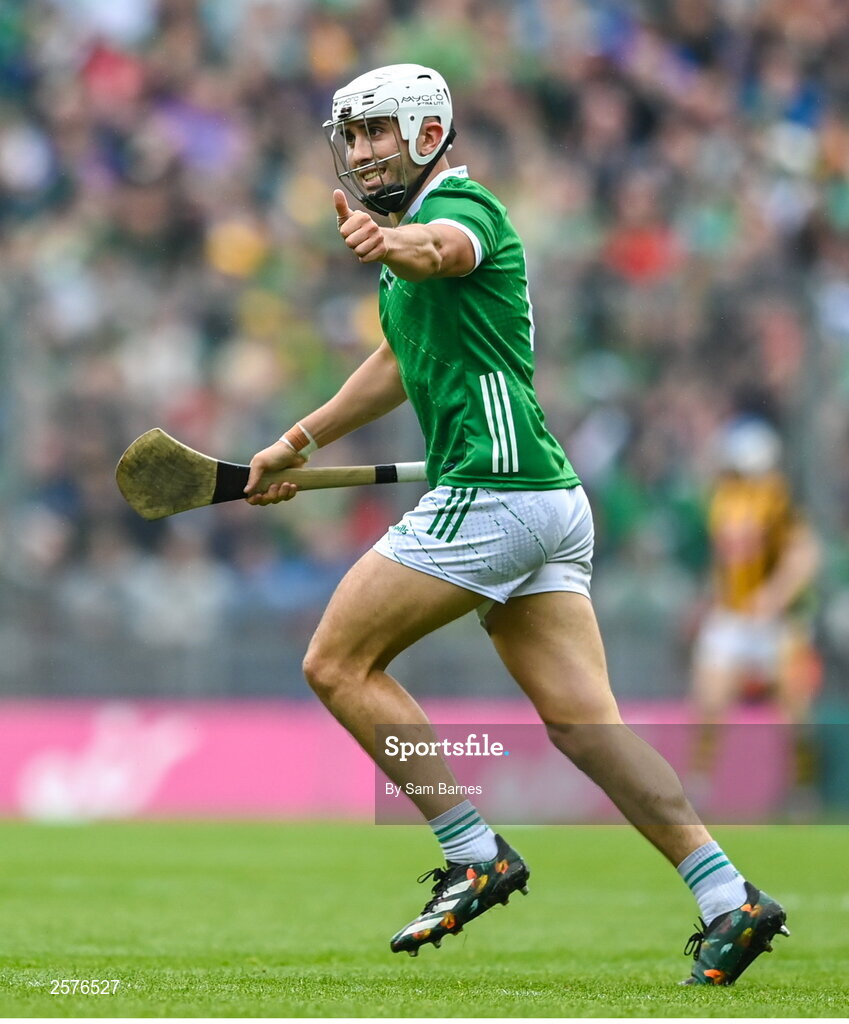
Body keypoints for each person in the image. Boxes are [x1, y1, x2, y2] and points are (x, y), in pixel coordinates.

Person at [244, 64, 788, 985]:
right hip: (542, 498)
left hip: (492, 495)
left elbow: (443, 252)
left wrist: (390, 242)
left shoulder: (464, 208)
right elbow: (393, 362)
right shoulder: (403, 249)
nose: (364, 148)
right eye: (356, 134)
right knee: (585, 726)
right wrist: (298, 438)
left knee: (335, 663)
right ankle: (727, 895)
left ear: (425, 132)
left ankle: (470, 848)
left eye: (380, 130)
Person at [689, 417, 822, 805]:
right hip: (732, 615)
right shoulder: (721, 498)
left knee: (796, 712)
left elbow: (804, 554)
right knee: (710, 704)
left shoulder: (778, 498)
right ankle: (698, 787)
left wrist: (775, 595)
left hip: (775, 621)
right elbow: (725, 561)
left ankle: (803, 789)